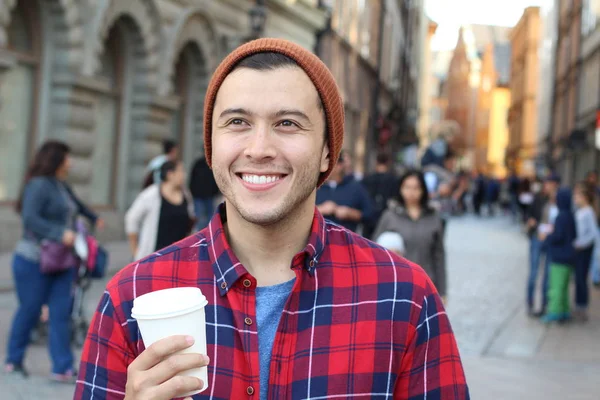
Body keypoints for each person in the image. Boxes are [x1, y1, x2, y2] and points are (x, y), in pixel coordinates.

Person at [75, 39, 468, 400]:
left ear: (329, 153)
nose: (259, 148)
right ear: (211, 146)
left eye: (287, 124)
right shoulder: (132, 296)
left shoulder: (404, 297)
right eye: (237, 122)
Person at [4, 141, 102, 383]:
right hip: (33, 260)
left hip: (62, 261)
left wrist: (94, 217)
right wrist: (59, 233)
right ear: (57, 159)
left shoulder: (61, 185)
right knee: (30, 309)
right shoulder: (38, 185)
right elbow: (30, 219)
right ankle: (13, 360)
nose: (71, 162)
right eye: (67, 157)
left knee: (61, 313)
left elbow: (77, 205)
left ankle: (62, 366)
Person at [372, 170, 447, 303]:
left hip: (426, 283)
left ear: (423, 190)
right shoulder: (389, 216)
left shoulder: (433, 218)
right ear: (400, 188)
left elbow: (439, 255)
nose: (411, 192)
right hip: (395, 284)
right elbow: (374, 251)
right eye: (407, 187)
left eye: (416, 188)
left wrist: (442, 291)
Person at [125, 161, 195, 261]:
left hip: (179, 258)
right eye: (181, 171)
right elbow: (131, 219)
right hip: (154, 258)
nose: (184, 175)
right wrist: (136, 250)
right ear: (170, 174)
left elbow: (190, 221)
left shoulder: (186, 195)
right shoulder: (151, 195)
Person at [539, 188, 577, 323]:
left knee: (555, 287)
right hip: (570, 257)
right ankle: (564, 311)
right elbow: (573, 235)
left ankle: (554, 312)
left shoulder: (561, 216)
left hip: (559, 258)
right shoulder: (571, 215)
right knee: (564, 287)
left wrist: (547, 237)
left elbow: (558, 236)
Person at [525, 174, 560, 317]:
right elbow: (530, 216)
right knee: (533, 272)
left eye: (551, 183)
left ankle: (545, 305)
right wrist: (532, 223)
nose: (548, 186)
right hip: (537, 238)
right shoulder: (538, 198)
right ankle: (530, 302)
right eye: (547, 183)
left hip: (550, 240)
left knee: (547, 274)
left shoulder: (558, 202)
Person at [316, 150, 375, 233]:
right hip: (317, 239)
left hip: (346, 240)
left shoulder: (355, 187)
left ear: (339, 165)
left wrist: (350, 213)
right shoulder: (314, 187)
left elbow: (370, 214)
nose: (324, 168)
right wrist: (320, 210)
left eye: (329, 164)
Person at [572, 182, 598, 321]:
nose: (575, 198)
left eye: (577, 195)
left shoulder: (588, 212)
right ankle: (577, 305)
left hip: (584, 250)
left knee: (581, 278)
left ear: (584, 197)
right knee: (577, 278)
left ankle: (582, 307)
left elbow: (593, 234)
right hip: (578, 248)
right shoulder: (579, 211)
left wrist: (582, 244)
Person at [361, 152, 398, 239]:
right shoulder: (394, 180)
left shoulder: (366, 180)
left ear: (376, 162)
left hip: (369, 220)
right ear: (388, 162)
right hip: (387, 220)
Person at [189, 155, 221, 230]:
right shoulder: (210, 165)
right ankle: (207, 234)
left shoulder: (198, 164)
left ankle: (202, 235)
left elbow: (192, 179)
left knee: (202, 216)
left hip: (203, 195)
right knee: (207, 216)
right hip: (205, 195)